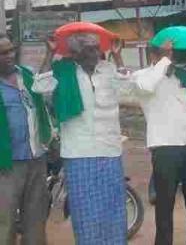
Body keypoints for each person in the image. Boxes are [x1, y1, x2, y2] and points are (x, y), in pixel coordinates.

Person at [32, 31, 130, 244]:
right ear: (75, 54)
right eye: (88, 50)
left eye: (96, 48)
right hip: (79, 153)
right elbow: (39, 87)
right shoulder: (63, 71)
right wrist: (49, 54)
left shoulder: (108, 69)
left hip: (110, 150)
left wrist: (118, 56)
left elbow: (128, 89)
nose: (95, 53)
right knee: (86, 211)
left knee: (113, 208)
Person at [132, 38, 186, 245]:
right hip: (164, 146)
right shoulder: (142, 76)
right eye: (166, 54)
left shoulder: (184, 76)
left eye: (172, 55)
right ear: (153, 56)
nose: (171, 59)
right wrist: (164, 61)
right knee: (165, 202)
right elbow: (147, 87)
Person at [0, 35, 53, 244]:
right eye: (3, 53)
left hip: (35, 158)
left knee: (36, 218)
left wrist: (49, 53)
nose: (10, 55)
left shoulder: (27, 76)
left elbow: (45, 83)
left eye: (11, 50)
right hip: (7, 164)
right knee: (5, 219)